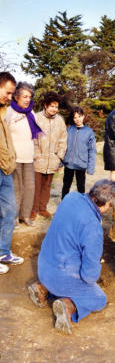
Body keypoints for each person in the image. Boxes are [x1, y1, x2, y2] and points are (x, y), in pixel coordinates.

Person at [28, 179, 115, 334]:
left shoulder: (71, 197)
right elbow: (89, 277)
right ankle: (68, 304)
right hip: (61, 276)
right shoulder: (93, 228)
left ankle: (41, 286)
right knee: (99, 299)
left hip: (44, 265)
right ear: (107, 205)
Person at [5, 82, 43, 226]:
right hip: (13, 158)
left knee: (29, 188)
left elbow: (35, 136)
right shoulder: (8, 112)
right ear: (16, 97)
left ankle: (25, 216)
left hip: (28, 157)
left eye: (30, 97)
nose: (28, 99)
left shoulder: (31, 113)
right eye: (25, 96)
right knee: (15, 189)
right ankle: (13, 217)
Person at [0, 72, 24, 274]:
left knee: (9, 211)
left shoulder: (3, 111)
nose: (10, 97)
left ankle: (3, 251)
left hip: (5, 169)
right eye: (7, 93)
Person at [30, 92, 67, 220]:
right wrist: (36, 156)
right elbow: (32, 138)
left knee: (47, 186)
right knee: (35, 186)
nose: (54, 109)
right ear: (46, 105)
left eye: (56, 107)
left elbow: (63, 140)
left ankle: (42, 208)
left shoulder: (60, 120)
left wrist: (59, 157)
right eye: (52, 106)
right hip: (38, 159)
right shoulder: (36, 118)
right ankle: (33, 209)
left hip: (52, 160)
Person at [61, 106, 96, 199]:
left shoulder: (89, 132)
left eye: (79, 116)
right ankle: (63, 203)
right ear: (72, 118)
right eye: (75, 117)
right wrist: (61, 162)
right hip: (69, 163)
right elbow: (63, 146)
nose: (77, 119)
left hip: (81, 164)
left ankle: (81, 203)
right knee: (66, 185)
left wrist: (90, 168)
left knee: (81, 186)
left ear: (83, 116)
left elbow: (92, 151)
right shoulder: (69, 130)